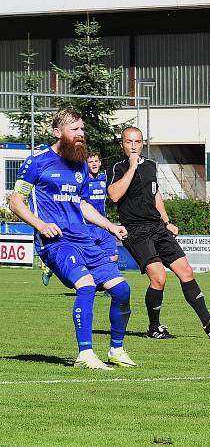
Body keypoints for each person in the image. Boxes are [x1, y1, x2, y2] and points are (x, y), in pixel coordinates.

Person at [8, 109, 135, 369]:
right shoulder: (38, 161)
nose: (81, 134)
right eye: (75, 129)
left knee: (122, 289)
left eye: (82, 129)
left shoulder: (79, 164)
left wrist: (110, 226)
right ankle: (85, 354)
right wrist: (41, 225)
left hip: (84, 239)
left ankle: (116, 350)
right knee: (86, 285)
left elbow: (82, 204)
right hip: (56, 242)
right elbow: (15, 201)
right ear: (58, 132)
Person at [108, 126, 210, 339]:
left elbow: (155, 194)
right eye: (129, 142)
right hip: (136, 231)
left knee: (186, 271)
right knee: (158, 278)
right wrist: (131, 168)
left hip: (157, 227)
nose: (134, 146)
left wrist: (167, 221)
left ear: (142, 144)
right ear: (123, 144)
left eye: (138, 142)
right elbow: (114, 195)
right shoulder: (117, 167)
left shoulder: (150, 166)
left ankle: (208, 322)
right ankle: (154, 327)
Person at [40, 151, 120, 285]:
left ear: (100, 162)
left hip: (102, 225)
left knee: (113, 256)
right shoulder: (81, 180)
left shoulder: (104, 179)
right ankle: (52, 267)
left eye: (96, 161)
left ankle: (105, 281)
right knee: (83, 257)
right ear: (86, 164)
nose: (94, 164)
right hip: (85, 226)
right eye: (90, 162)